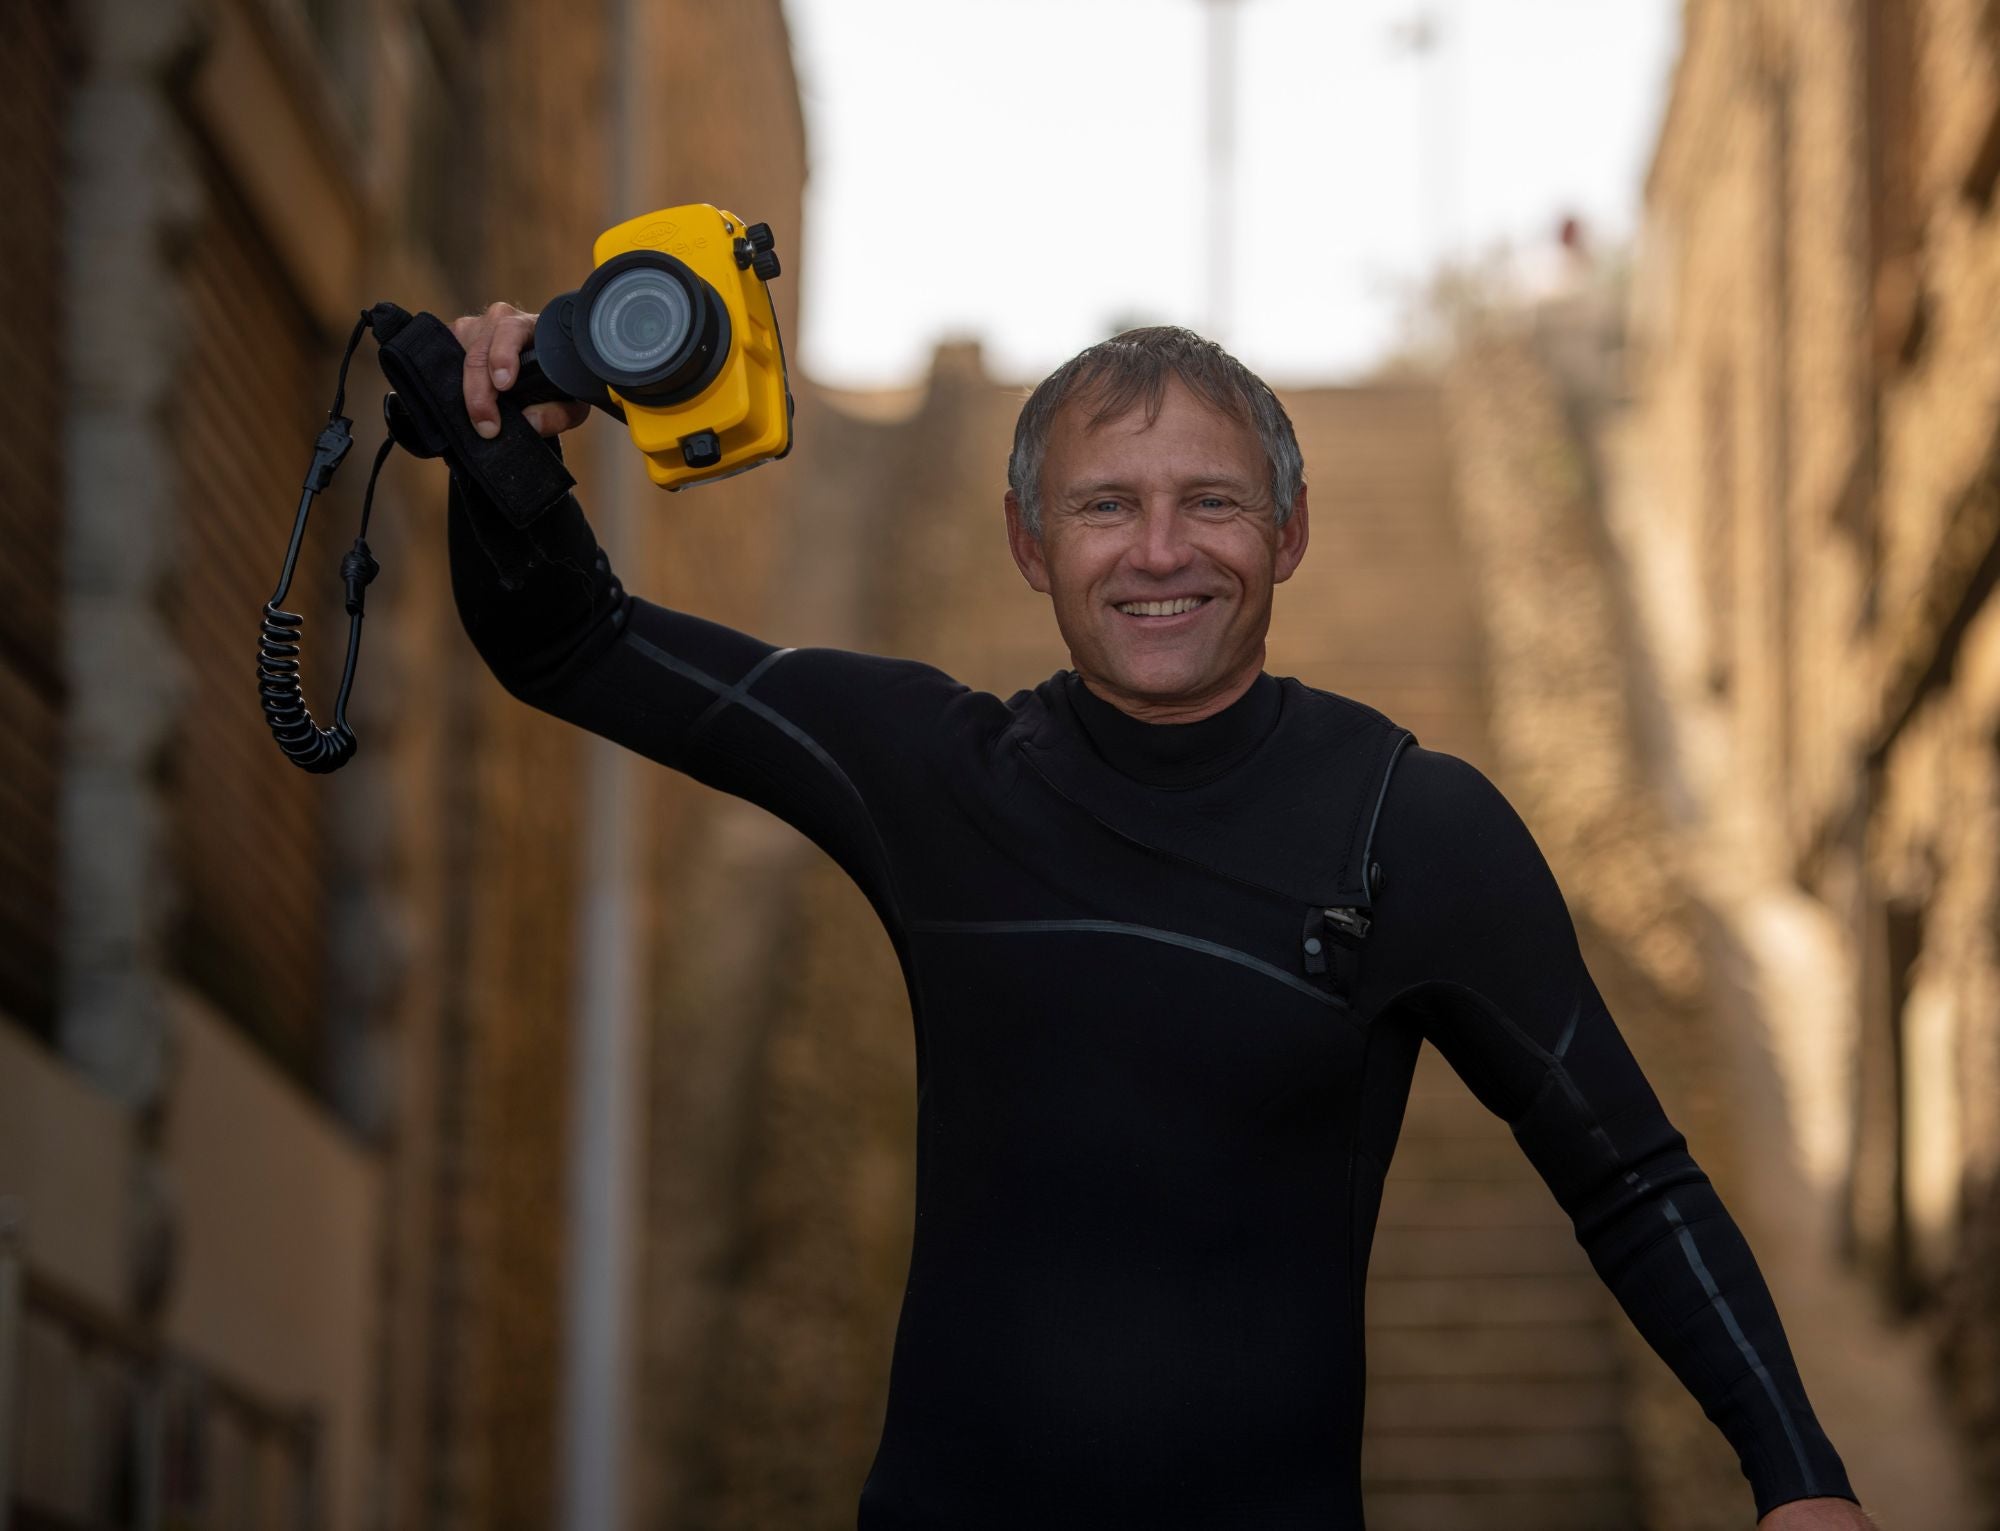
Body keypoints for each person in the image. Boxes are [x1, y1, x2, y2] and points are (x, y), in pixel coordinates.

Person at [446, 304, 1875, 1530]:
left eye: (1212, 500)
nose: (1159, 552)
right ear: (1026, 541)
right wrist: (500, 449)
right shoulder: (930, 776)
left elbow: (1632, 1180)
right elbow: (567, 640)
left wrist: (1797, 1474)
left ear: (1292, 530)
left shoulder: (1412, 825)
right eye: (1105, 504)